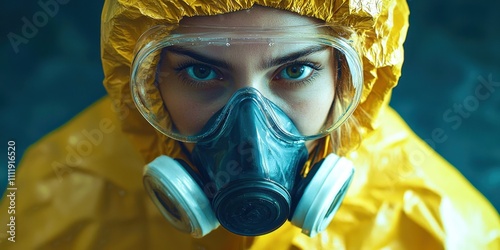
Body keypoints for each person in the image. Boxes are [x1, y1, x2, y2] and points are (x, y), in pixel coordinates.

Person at [1, 0, 499, 249]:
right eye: (200, 71)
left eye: (295, 70)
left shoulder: (439, 229)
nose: (252, 136)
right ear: (146, 84)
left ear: (353, 80)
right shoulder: (54, 205)